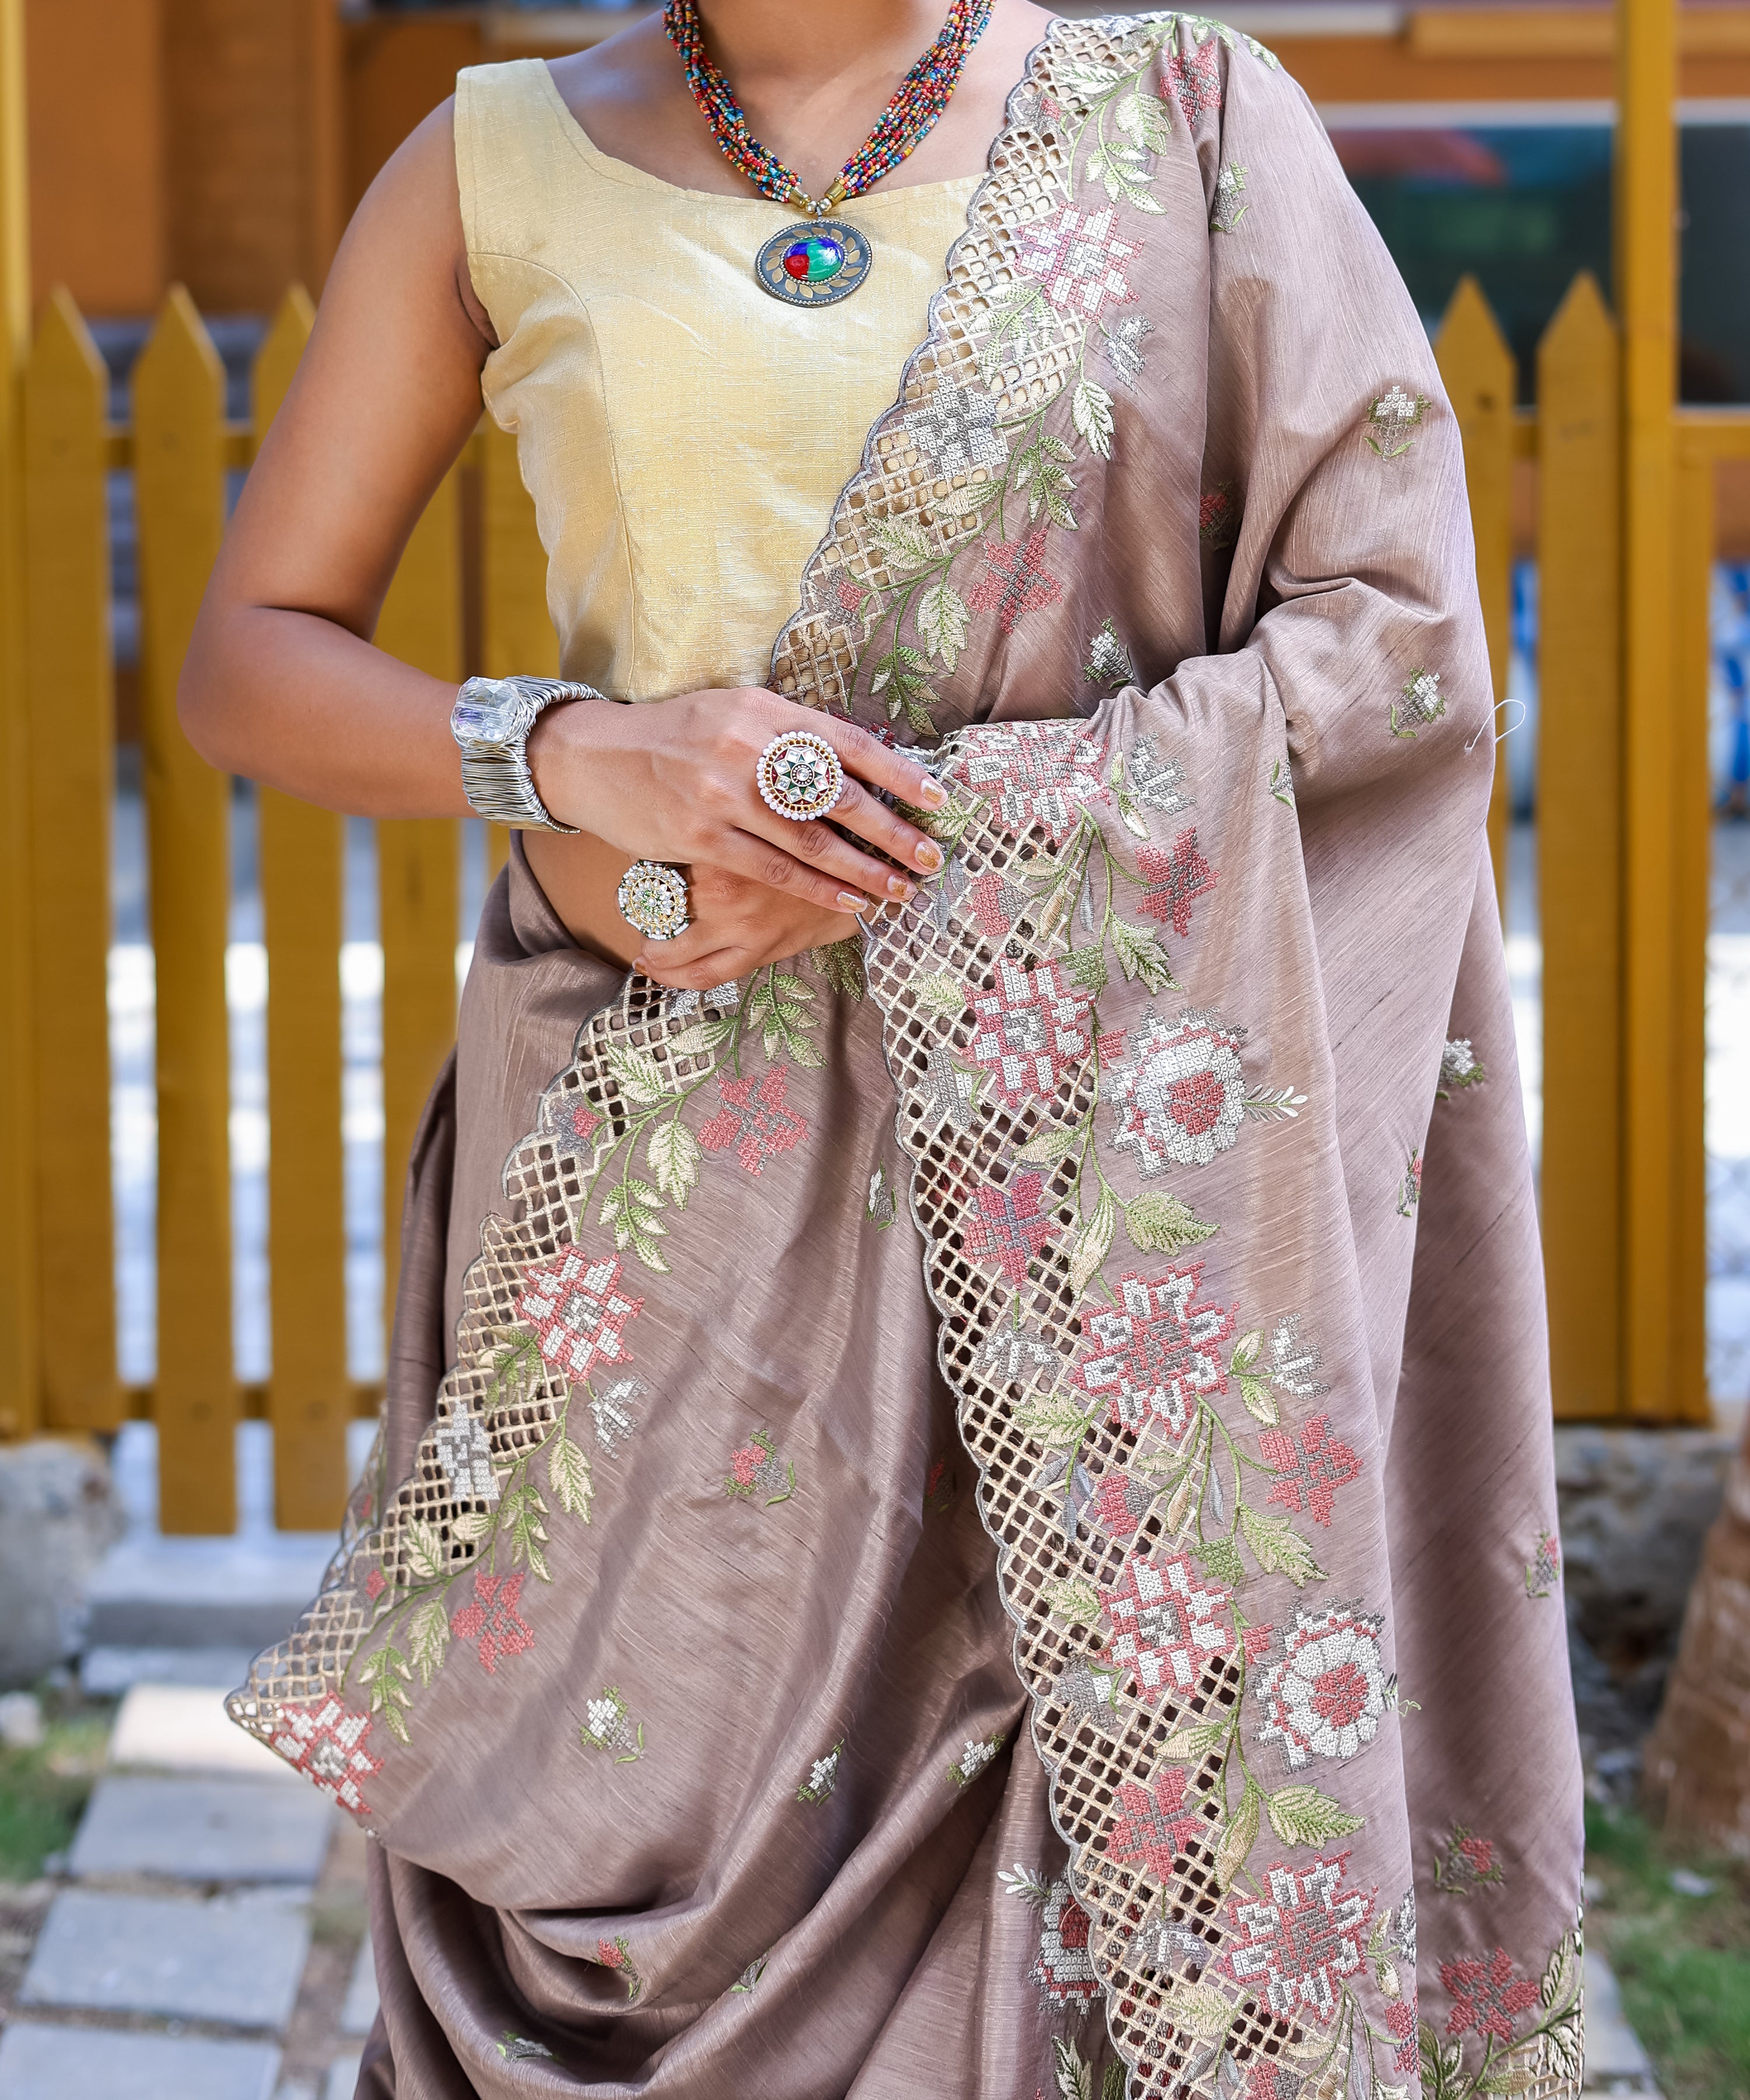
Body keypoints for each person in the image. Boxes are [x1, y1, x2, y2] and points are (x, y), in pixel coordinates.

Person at [183, 4, 1585, 2094]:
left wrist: (964, 846)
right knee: (630, 1845)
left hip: (1107, 1215)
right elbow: (252, 660)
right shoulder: (492, 162)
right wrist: (581, 755)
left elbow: (1391, 645)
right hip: (664, 1183)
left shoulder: (1187, 121)